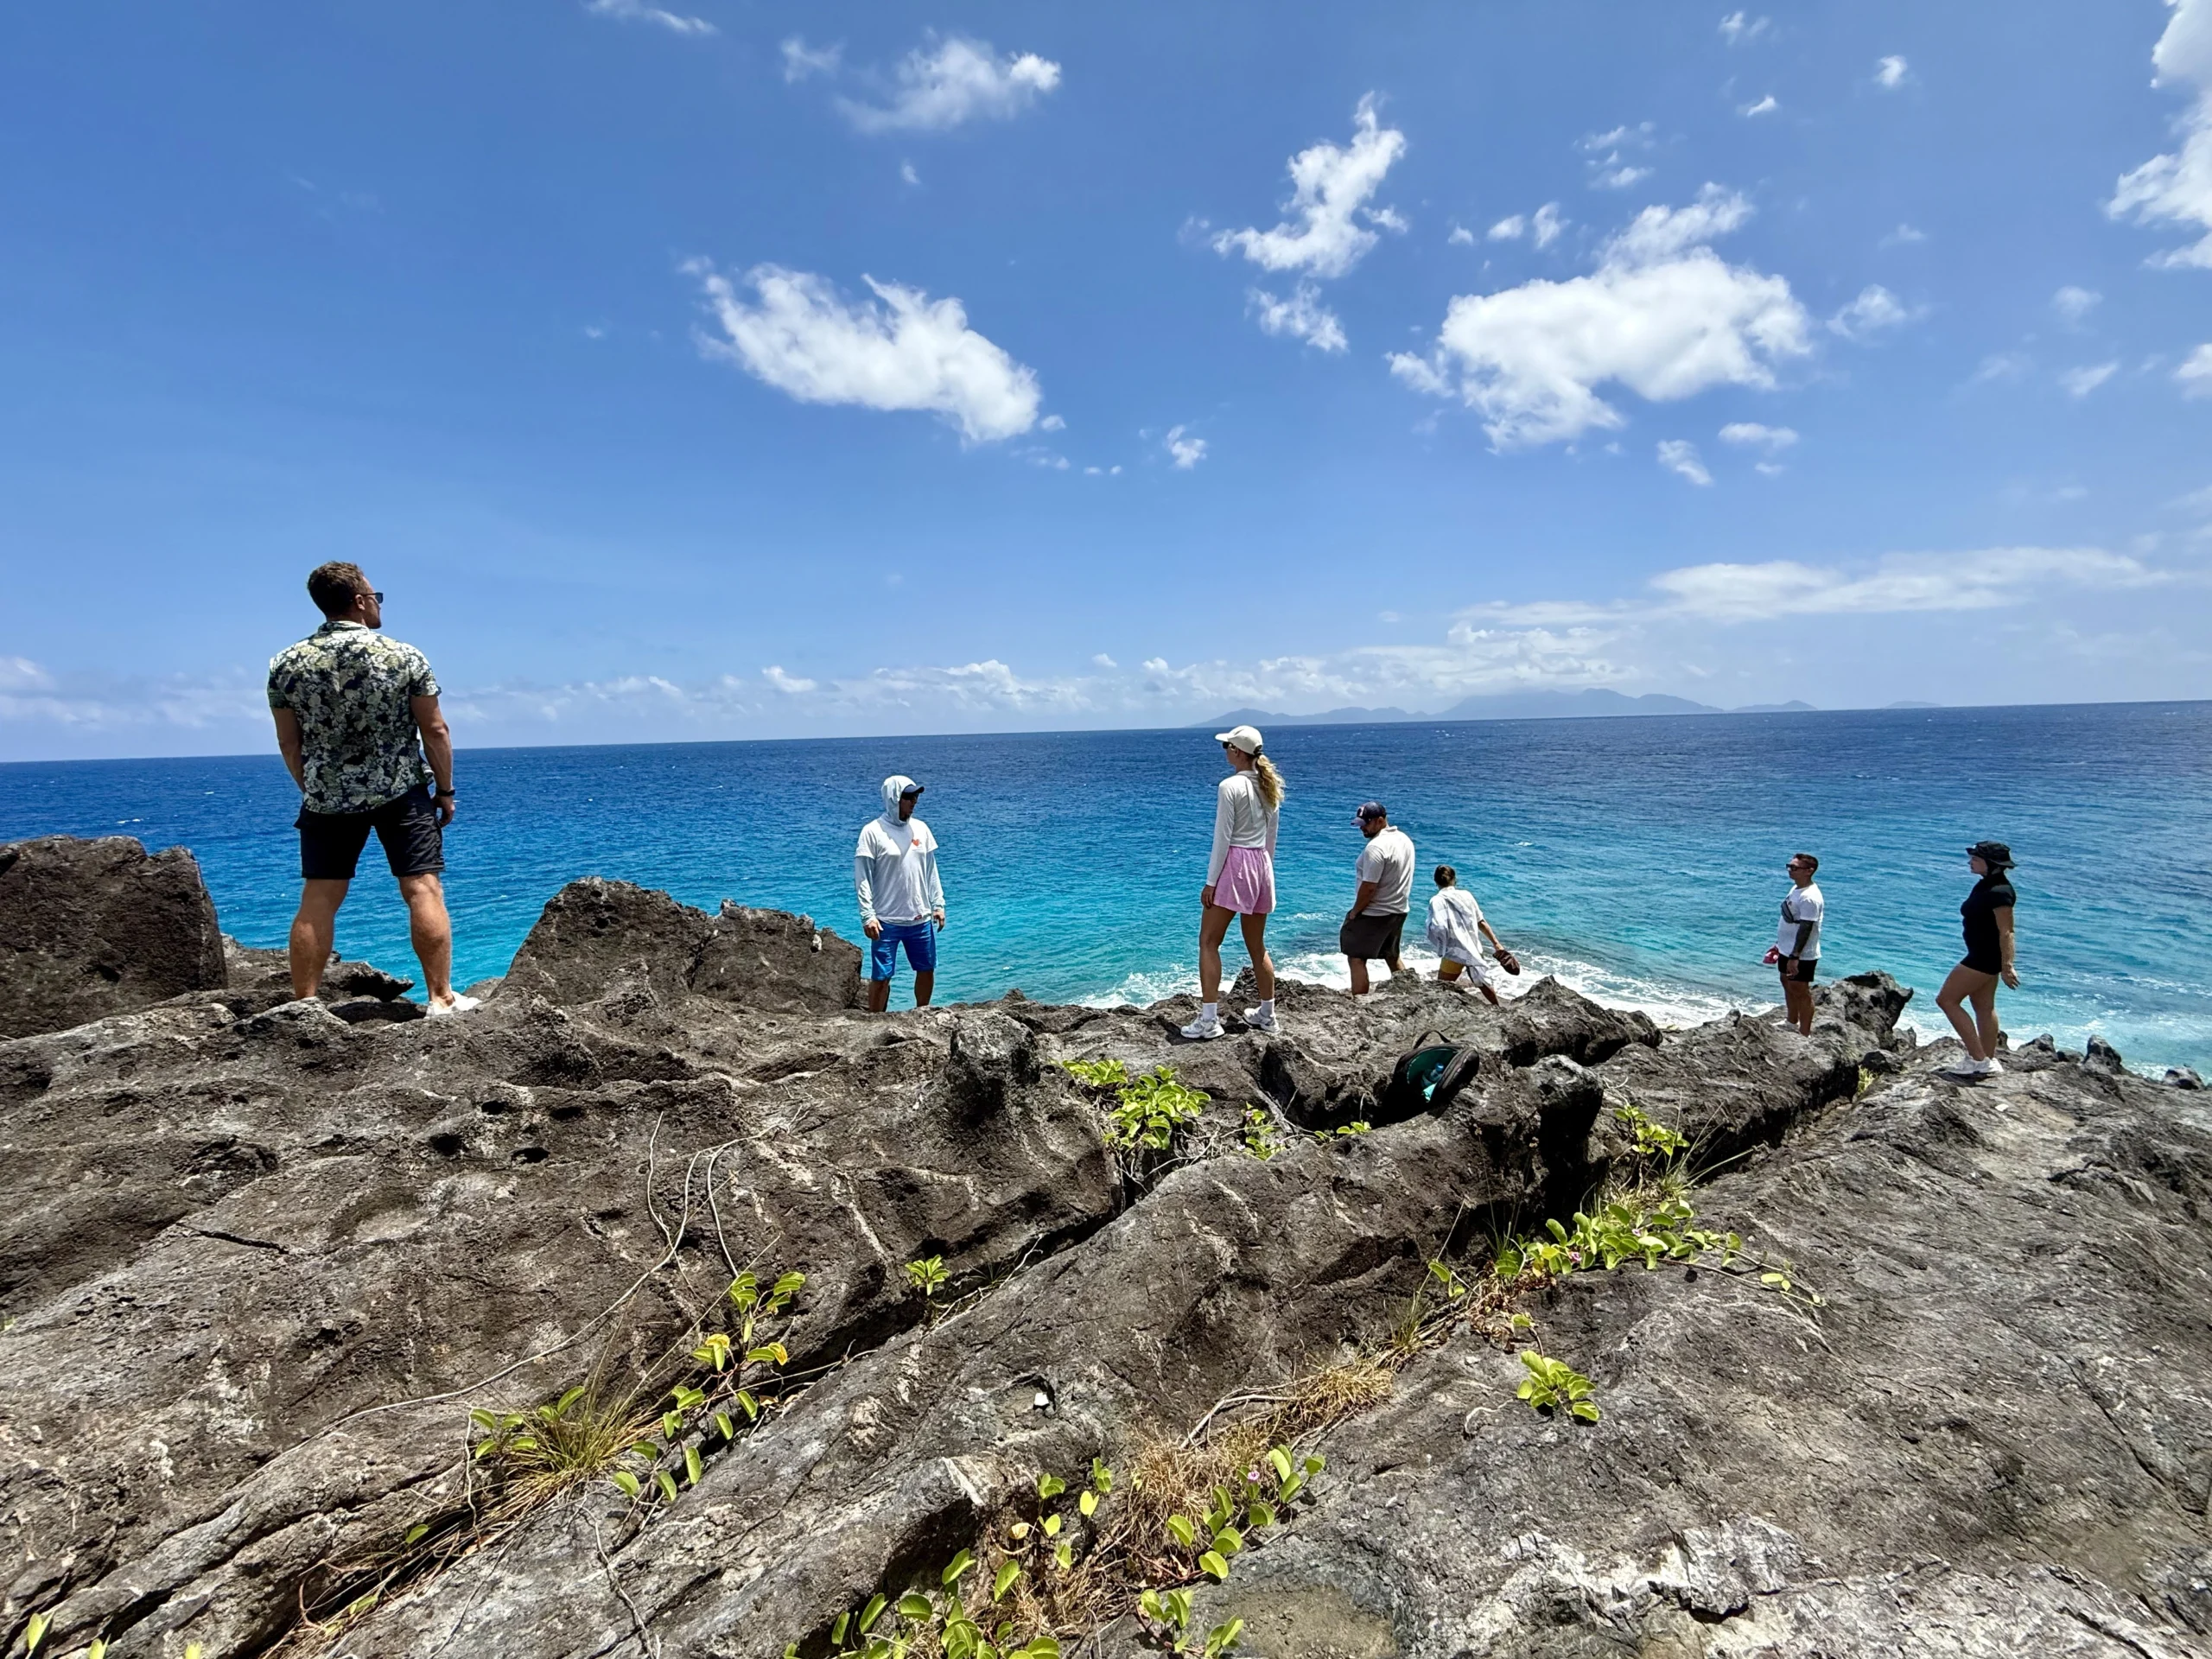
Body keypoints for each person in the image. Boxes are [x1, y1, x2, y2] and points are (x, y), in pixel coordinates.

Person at [267, 562, 476, 1015]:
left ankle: (303, 1005)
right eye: (375, 596)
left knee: (319, 896)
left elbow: (289, 741)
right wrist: (445, 789)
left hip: (326, 797)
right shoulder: (403, 656)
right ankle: (441, 998)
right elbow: (434, 730)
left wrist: (316, 787)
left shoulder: (285, 663)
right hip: (400, 790)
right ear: (360, 601)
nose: (378, 603)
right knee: (422, 887)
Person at [1180, 725, 1283, 1040]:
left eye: (1226, 746)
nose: (1224, 750)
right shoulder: (1270, 786)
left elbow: (1222, 839)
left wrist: (1211, 882)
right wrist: (1265, 873)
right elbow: (1271, 839)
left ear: (1237, 751)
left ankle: (1209, 1020)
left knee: (1209, 941)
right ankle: (1268, 1015)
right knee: (1257, 945)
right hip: (1260, 866)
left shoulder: (1230, 786)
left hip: (1235, 866)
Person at [855, 775, 944, 1013]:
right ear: (894, 798)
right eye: (908, 796)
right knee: (881, 977)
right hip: (886, 920)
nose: (913, 801)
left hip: (920, 918)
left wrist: (938, 903)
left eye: (916, 796)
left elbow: (930, 869)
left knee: (926, 969)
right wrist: (867, 915)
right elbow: (862, 877)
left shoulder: (922, 829)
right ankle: (873, 1022)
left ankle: (922, 1015)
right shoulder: (872, 832)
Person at [1936, 841, 2019, 1079]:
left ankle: (1978, 1059)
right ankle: (1988, 1060)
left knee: (1946, 1000)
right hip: (1984, 955)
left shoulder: (2001, 892)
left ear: (1991, 863)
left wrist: (2007, 966)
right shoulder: (1986, 885)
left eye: (1976, 858)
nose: (1970, 861)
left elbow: (2007, 932)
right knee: (1983, 1006)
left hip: (1983, 957)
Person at [1340, 802, 1415, 995]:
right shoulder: (1404, 839)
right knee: (1391, 955)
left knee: (1356, 957)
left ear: (1380, 821)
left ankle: (1359, 1004)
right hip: (1399, 910)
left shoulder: (1375, 847)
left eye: (1365, 824)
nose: (1362, 828)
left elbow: (1369, 887)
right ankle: (1409, 994)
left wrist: (1355, 912)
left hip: (1375, 912)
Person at [1424, 865, 1521, 1005]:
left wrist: (1441, 944)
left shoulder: (1437, 901)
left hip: (1455, 951)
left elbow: (1438, 927)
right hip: (1473, 947)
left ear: (1435, 881)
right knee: (1482, 981)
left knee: (1442, 987)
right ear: (1454, 879)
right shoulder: (1466, 895)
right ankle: (1498, 1009)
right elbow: (1480, 921)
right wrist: (1496, 944)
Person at [1763, 853, 1824, 1037]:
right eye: (1789, 866)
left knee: (1800, 989)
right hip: (1786, 948)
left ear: (1809, 871)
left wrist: (1795, 956)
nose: (1790, 870)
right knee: (1786, 982)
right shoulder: (1796, 889)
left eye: (1794, 868)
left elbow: (1806, 927)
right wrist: (1779, 945)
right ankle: (1791, 1021)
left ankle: (1804, 1033)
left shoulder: (1810, 898)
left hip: (1801, 954)